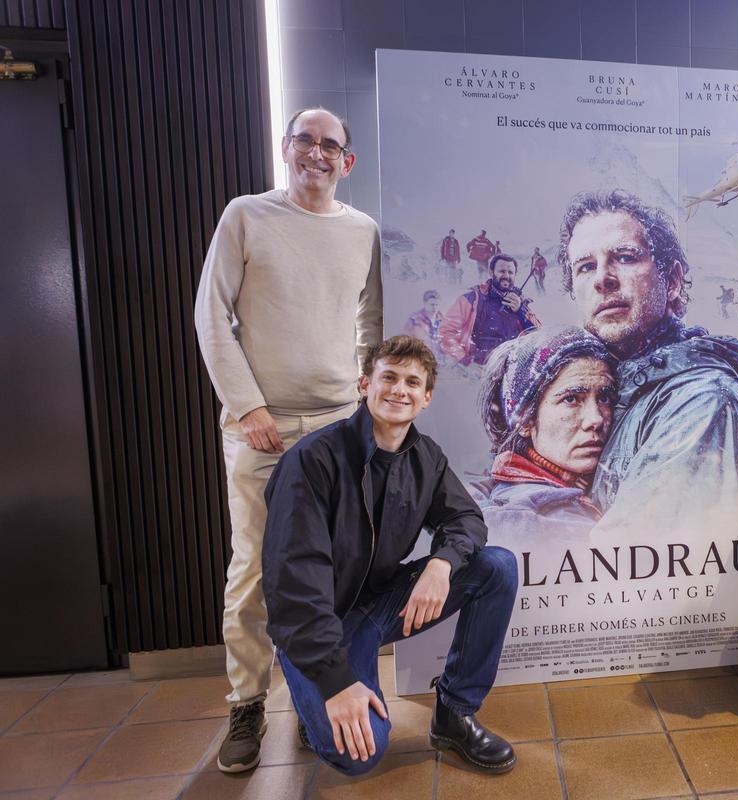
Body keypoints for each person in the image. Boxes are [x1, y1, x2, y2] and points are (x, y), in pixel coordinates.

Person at [194, 107, 382, 773]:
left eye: (331, 145)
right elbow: (209, 312)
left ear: (347, 161)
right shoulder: (246, 214)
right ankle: (247, 703)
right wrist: (245, 406)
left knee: (326, 571)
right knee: (254, 571)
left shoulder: (363, 231)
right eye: (306, 139)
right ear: (285, 147)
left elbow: (373, 320)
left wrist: (366, 388)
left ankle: (313, 697)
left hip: (335, 428)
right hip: (261, 428)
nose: (317, 153)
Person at [262, 336, 519, 776]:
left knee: (496, 566)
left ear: (426, 397)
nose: (400, 390)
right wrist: (336, 681)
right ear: (366, 384)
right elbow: (294, 583)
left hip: (377, 608)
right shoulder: (311, 461)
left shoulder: (425, 458)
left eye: (412, 382)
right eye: (390, 377)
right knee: (358, 757)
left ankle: (453, 715)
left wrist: (442, 564)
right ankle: (312, 694)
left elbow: (467, 520)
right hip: (317, 627)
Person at [556, 190, 738, 535]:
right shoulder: (611, 391)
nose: (602, 279)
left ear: (671, 281)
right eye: (585, 267)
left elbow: (634, 552)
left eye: (625, 257)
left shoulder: (704, 402)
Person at [473, 326, 617, 539]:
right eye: (571, 399)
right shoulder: (546, 524)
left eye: (604, 398)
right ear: (524, 420)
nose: (595, 419)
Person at [439, 254, 540, 366]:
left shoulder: (521, 303)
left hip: (511, 371)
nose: (506, 276)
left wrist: (520, 310)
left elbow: (538, 335)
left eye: (510, 272)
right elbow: (447, 331)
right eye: (502, 271)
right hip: (479, 370)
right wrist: (464, 360)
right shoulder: (473, 299)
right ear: (491, 272)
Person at [404, 289, 445, 360]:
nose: (435, 308)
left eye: (436, 305)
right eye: (432, 304)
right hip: (419, 359)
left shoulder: (442, 320)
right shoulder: (414, 320)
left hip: (439, 361)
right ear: (425, 303)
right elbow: (404, 340)